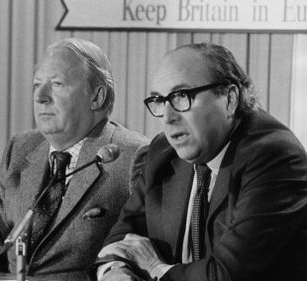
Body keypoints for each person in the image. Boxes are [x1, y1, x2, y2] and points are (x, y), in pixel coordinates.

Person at [93, 42, 307, 281]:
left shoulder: (275, 156)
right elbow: (120, 239)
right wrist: (116, 272)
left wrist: (155, 267)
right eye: (160, 100)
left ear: (230, 99)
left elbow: (226, 274)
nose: (168, 117)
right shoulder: (163, 151)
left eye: (181, 96)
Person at [0, 38, 149, 279]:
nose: (40, 96)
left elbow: (133, 254)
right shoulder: (20, 148)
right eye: (37, 84)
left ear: (97, 97)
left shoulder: (133, 156)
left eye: (57, 84)